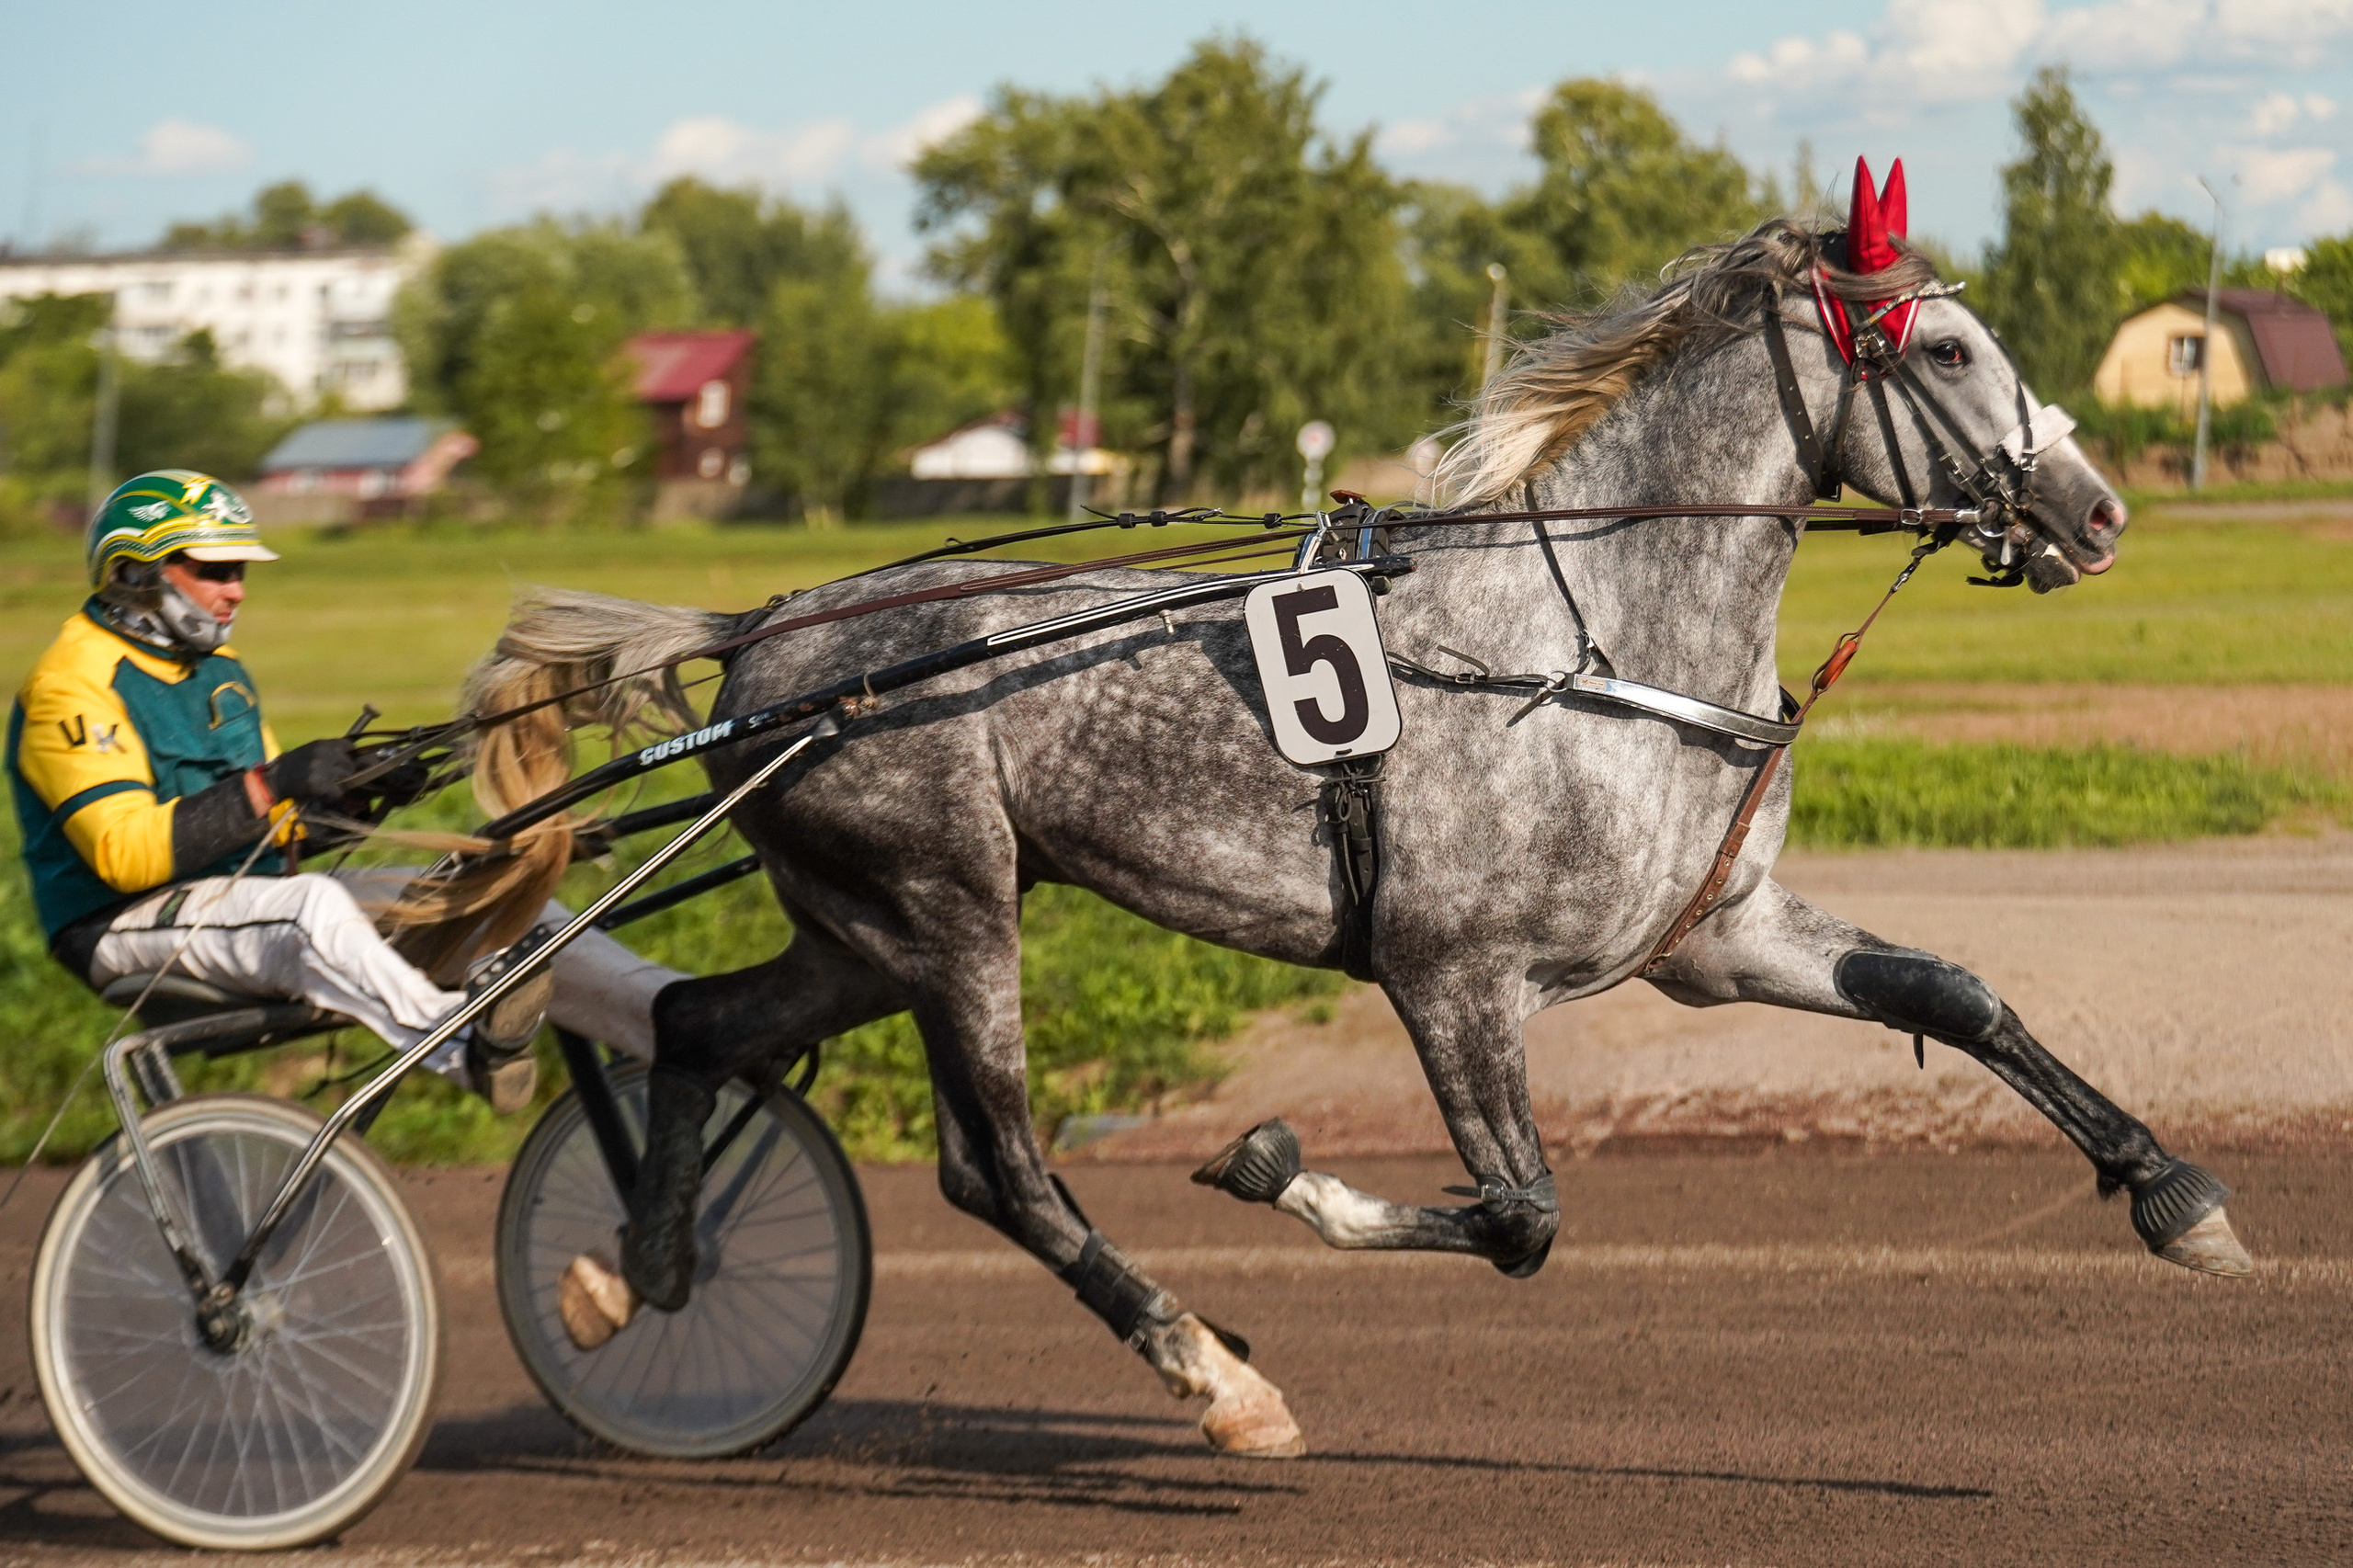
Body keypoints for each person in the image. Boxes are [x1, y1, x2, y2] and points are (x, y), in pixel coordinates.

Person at [6, 470, 554, 1108]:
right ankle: (463, 1047)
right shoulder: (70, 685)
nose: (236, 591)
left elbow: (275, 829)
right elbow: (125, 856)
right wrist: (277, 781)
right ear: (135, 573)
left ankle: (657, 1020)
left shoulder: (220, 672)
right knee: (309, 907)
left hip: (240, 899)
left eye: (241, 571)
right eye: (216, 571)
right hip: (115, 925)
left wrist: (359, 799)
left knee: (487, 894)